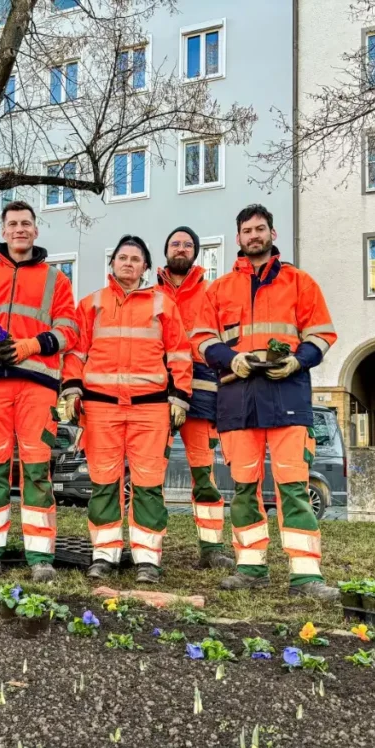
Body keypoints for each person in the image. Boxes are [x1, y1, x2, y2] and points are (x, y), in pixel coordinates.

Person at [200, 204, 339, 599]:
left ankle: (306, 576)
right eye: (247, 230)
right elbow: (202, 339)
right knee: (244, 488)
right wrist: (232, 359)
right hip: (237, 398)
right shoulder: (220, 289)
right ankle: (250, 568)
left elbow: (322, 334)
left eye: (260, 229)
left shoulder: (300, 282)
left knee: (294, 486)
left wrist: (297, 360)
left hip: (286, 395)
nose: (254, 236)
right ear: (239, 238)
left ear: (272, 235)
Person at [0, 201, 79, 583]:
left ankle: (41, 555)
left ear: (35, 231)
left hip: (36, 384)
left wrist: (30, 345)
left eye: (26, 223)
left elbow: (69, 330)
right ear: (3, 231)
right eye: (13, 224)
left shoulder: (57, 280)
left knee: (38, 467)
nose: (20, 229)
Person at [62, 235, 193, 584]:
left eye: (136, 258)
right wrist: (71, 388)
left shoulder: (162, 304)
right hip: (101, 408)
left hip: (149, 409)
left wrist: (180, 395)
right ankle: (104, 554)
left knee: (148, 483)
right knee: (104, 481)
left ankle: (147, 558)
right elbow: (75, 352)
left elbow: (180, 353)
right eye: (122, 257)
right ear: (113, 263)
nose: (128, 263)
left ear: (146, 267)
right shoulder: (91, 303)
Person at [155, 226, 234, 571]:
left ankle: (211, 546)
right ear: (166, 250)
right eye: (176, 243)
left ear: (196, 252)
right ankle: (149, 546)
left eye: (188, 244)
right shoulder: (149, 293)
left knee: (204, 473)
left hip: (201, 390)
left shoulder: (210, 292)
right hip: (156, 386)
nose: (181, 249)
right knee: (149, 473)